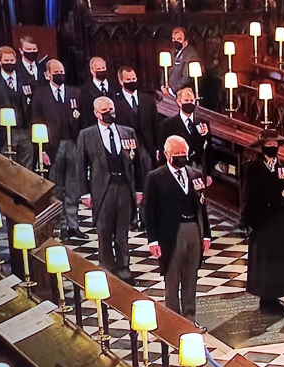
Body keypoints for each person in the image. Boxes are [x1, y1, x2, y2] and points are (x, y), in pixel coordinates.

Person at [144, 135, 211, 322]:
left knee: (191, 276)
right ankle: (173, 319)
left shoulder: (196, 175)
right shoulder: (155, 178)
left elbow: (203, 206)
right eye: (177, 154)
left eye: (184, 153)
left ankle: (189, 317)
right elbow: (149, 211)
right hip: (170, 234)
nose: (182, 157)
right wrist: (153, 240)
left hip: (193, 230)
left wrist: (206, 235)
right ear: (167, 154)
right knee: (172, 278)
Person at [77, 97, 138, 284]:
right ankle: (107, 266)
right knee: (104, 230)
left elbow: (138, 163)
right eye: (105, 110)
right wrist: (84, 193)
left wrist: (140, 189)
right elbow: (80, 165)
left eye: (111, 109)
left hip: (124, 187)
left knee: (122, 231)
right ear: (96, 112)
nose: (109, 112)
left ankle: (124, 266)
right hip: (102, 189)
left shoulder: (128, 132)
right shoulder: (86, 135)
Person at [241, 130, 284, 312]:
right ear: (262, 146)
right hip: (262, 221)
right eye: (269, 144)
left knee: (279, 262)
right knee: (264, 262)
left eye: (275, 144)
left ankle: (275, 296)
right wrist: (246, 221)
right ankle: (265, 298)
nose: (273, 147)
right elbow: (247, 195)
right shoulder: (252, 167)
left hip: (281, 222)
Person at [32, 59, 87, 241]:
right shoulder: (40, 95)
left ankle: (74, 225)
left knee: (73, 187)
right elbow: (36, 123)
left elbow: (82, 120)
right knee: (57, 188)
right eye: (56, 71)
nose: (60, 73)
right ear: (48, 74)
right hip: (51, 147)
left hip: (72, 143)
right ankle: (60, 226)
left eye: (62, 70)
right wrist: (41, 150)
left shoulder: (75, 93)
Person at [115, 66, 161, 229]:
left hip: (146, 148)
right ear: (121, 81)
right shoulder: (115, 101)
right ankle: (131, 219)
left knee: (147, 183)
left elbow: (155, 125)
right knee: (130, 183)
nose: (132, 82)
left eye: (134, 79)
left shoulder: (147, 100)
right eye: (128, 80)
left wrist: (157, 148)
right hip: (126, 149)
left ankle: (145, 217)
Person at [0, 46, 34, 168]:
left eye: (11, 60)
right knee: (7, 167)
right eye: (6, 61)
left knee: (27, 168)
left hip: (26, 130)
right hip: (5, 132)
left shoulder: (27, 79)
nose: (9, 63)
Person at [160, 87, 213, 183]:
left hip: (198, 169)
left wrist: (208, 174)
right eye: (186, 100)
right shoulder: (168, 124)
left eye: (192, 100)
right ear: (179, 102)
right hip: (178, 169)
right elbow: (163, 152)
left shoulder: (203, 123)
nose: (189, 103)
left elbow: (209, 150)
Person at [162, 27, 201, 97]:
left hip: (182, 94)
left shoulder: (191, 55)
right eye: (174, 39)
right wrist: (163, 86)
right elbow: (165, 70)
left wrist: (171, 91)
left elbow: (186, 78)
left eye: (179, 39)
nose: (175, 41)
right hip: (167, 92)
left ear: (185, 41)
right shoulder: (172, 51)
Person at [80, 57, 115, 128]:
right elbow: (85, 115)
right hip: (95, 128)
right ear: (92, 70)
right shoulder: (85, 90)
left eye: (103, 68)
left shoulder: (115, 86)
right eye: (98, 69)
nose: (101, 71)